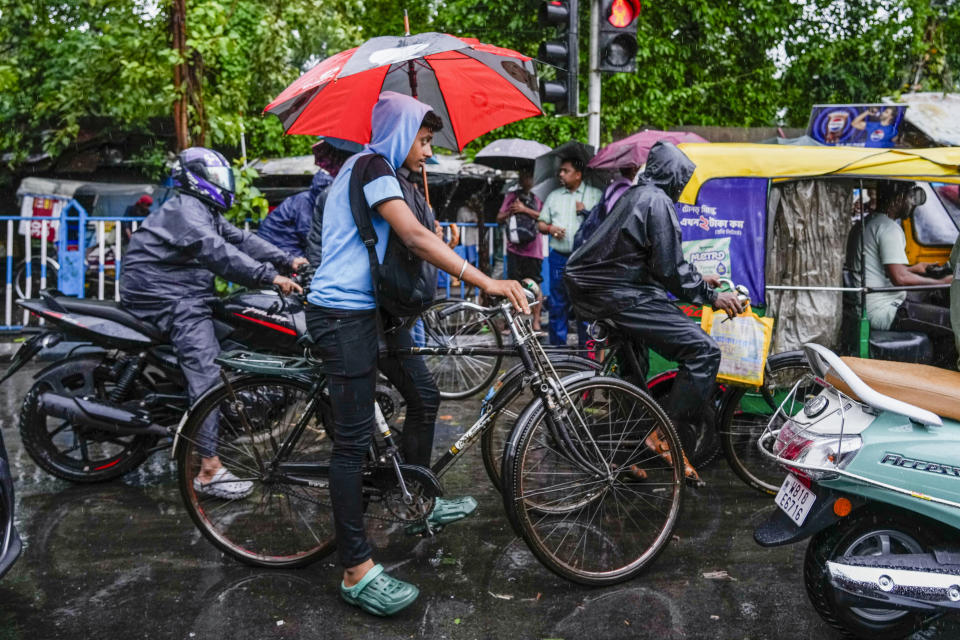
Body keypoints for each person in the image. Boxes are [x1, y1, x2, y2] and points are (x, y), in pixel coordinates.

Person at [305, 91, 527, 617]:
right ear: (400, 133)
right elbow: (411, 236)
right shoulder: (373, 165)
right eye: (423, 140)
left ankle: (416, 497)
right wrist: (485, 282)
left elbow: (411, 232)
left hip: (378, 312)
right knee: (353, 442)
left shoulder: (387, 172)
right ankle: (356, 570)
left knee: (425, 396)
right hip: (344, 315)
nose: (427, 152)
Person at [120, 147, 304, 498]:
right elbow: (217, 252)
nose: (223, 184)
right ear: (196, 180)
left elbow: (240, 240)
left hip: (182, 288)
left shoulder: (202, 210)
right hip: (167, 296)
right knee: (207, 371)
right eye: (217, 178)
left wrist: (288, 260)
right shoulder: (187, 211)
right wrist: (270, 277)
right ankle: (209, 469)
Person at [564, 142, 743, 482]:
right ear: (675, 176)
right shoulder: (656, 201)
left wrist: (697, 277)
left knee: (635, 370)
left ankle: (621, 456)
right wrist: (710, 296)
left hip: (605, 291)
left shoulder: (637, 195)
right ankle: (664, 434)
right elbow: (669, 268)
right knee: (703, 351)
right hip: (621, 296)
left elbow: (642, 259)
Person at [846, 181, 954, 365]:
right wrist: (943, 281)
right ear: (899, 199)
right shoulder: (888, 228)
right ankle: (942, 374)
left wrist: (915, 268)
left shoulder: (867, 224)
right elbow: (900, 278)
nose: (912, 206)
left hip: (866, 306)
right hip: (885, 310)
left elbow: (882, 271)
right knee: (953, 322)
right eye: (911, 199)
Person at [537, 156, 601, 346]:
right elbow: (541, 223)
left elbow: (604, 224)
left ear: (578, 174)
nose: (561, 174)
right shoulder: (554, 196)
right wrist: (550, 229)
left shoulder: (595, 195)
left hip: (585, 260)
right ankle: (558, 352)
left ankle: (586, 351)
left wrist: (585, 212)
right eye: (561, 171)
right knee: (557, 304)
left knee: (584, 306)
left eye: (566, 171)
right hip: (558, 257)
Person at [497, 168, 544, 332]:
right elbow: (499, 217)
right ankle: (513, 323)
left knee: (535, 285)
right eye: (523, 176)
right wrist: (512, 209)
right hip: (514, 248)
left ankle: (536, 320)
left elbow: (545, 217)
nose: (525, 180)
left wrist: (525, 210)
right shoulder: (511, 196)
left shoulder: (539, 196)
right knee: (513, 285)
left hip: (534, 249)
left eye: (528, 176)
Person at [256, 169, 333, 258]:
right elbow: (309, 234)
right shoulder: (306, 203)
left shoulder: (310, 199)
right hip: (276, 244)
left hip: (280, 242)